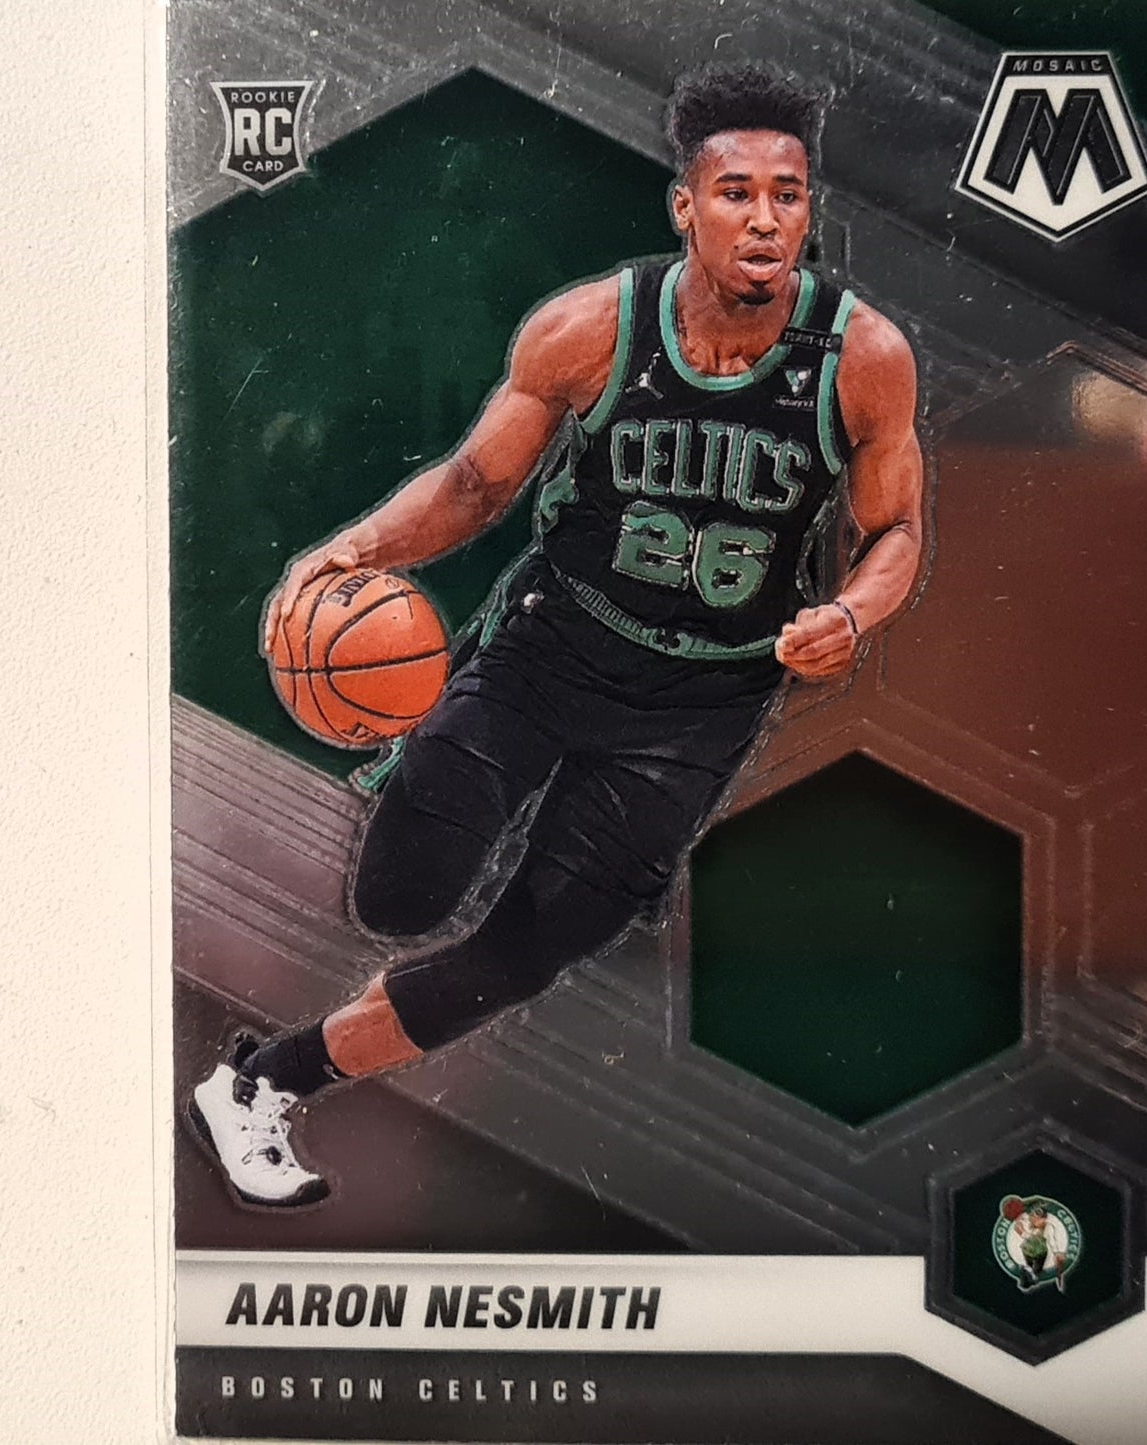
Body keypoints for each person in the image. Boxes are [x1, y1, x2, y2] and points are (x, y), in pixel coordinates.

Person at [188, 62, 925, 1208]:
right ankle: (423, 761)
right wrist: (355, 549)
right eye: (735, 192)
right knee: (395, 901)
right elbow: (476, 484)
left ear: (806, 211)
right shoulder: (591, 328)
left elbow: (896, 530)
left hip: (698, 707)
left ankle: (261, 1081)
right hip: (552, 645)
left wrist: (849, 611)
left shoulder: (862, 356)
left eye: (786, 195)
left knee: (524, 951)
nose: (764, 218)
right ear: (684, 206)